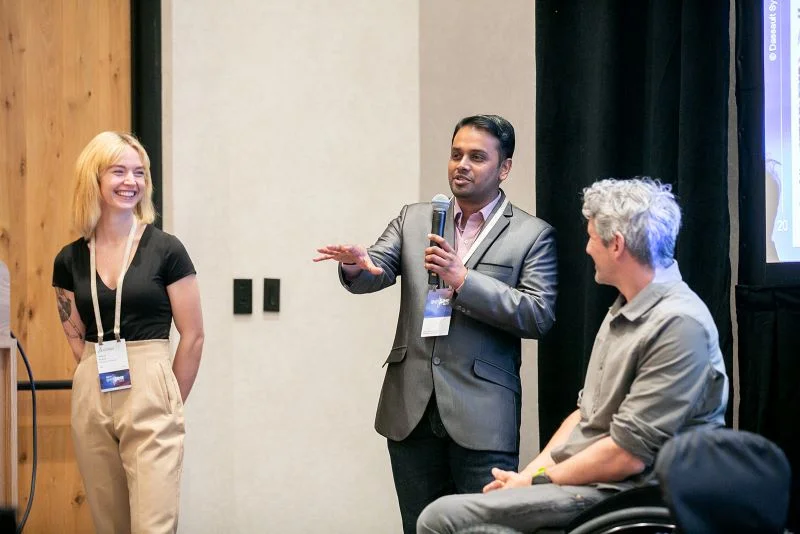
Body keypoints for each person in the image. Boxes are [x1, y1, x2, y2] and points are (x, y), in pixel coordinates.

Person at [416, 177, 729, 533]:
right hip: (589, 483)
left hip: (626, 493)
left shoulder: (679, 324)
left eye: (592, 237)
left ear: (617, 245)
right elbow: (584, 415)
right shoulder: (625, 309)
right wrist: (527, 475)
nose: (587, 249)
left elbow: (626, 456)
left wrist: (536, 482)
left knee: (440, 518)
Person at [314, 115, 558, 533]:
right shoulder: (414, 219)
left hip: (482, 415)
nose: (461, 165)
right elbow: (376, 270)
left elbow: (538, 314)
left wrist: (464, 280)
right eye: (456, 154)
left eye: (477, 157)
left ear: (504, 168)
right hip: (410, 408)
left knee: (483, 529)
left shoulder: (532, 235)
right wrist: (356, 265)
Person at [52, 131, 204, 534]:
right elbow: (74, 334)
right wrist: (95, 374)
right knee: (110, 524)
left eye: (139, 173)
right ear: (94, 178)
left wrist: (169, 398)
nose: (131, 182)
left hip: (152, 384)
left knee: (154, 525)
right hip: (93, 385)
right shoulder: (68, 259)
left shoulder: (167, 250)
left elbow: (193, 335)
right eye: (118, 171)